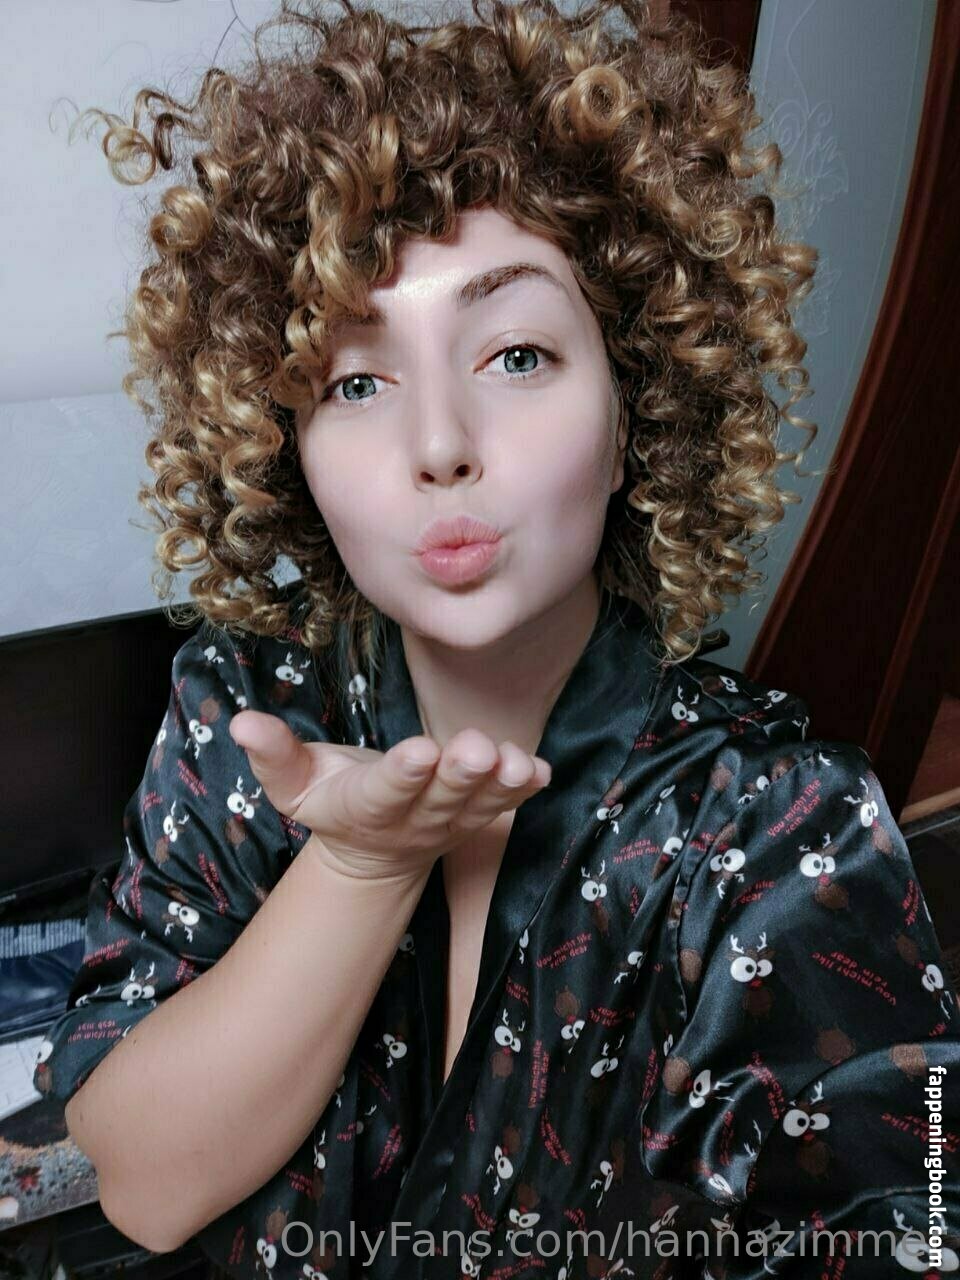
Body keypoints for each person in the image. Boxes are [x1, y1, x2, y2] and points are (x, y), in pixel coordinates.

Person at [35, 0, 960, 1276]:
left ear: (633, 413)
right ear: (290, 447)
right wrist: (359, 865)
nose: (438, 444)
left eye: (517, 354)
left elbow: (908, 1218)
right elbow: (142, 1187)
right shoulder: (244, 705)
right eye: (358, 380)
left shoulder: (776, 832)